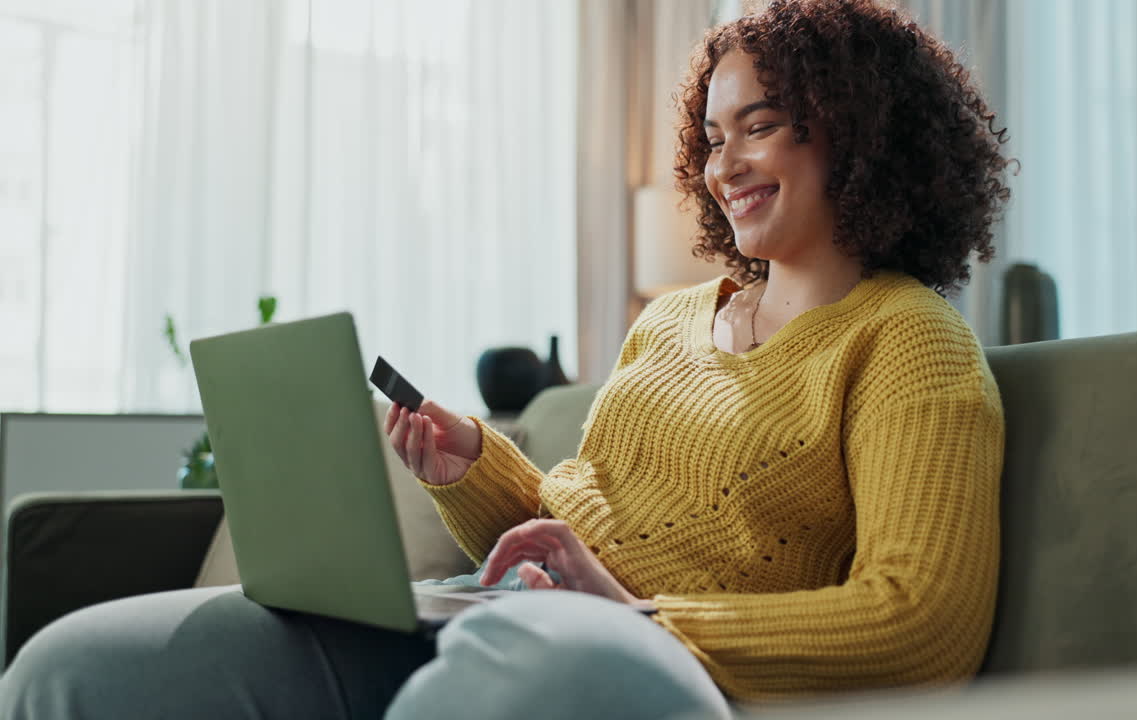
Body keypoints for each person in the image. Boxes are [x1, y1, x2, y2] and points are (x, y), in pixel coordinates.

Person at [0, 0, 1012, 717]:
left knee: (499, 674)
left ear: (859, 136)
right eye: (710, 137)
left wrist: (635, 614)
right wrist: (472, 468)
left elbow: (919, 627)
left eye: (760, 126)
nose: (722, 165)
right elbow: (572, 525)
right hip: (517, 617)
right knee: (80, 668)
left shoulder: (909, 344)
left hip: (651, 663)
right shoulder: (670, 320)